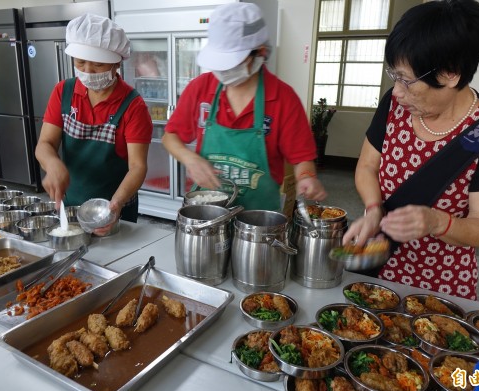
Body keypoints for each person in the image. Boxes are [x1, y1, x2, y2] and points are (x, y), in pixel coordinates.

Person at [341, 0, 479, 300]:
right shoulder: (394, 106)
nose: (397, 91)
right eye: (394, 76)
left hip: (439, 285)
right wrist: (374, 209)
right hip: (375, 269)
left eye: (407, 80)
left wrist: (437, 222)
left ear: (450, 75)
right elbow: (367, 167)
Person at [162, 2, 326, 211]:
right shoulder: (201, 88)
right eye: (219, 64)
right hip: (208, 213)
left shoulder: (283, 98)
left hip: (257, 221)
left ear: (260, 52)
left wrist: (307, 178)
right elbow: (170, 136)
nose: (223, 71)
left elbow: (302, 158)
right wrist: (190, 158)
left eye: (232, 63)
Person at [35, 14, 152, 233]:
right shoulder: (64, 92)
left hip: (113, 208)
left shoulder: (133, 106)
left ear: (117, 62)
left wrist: (115, 205)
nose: (87, 70)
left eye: (98, 64)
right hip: (69, 206)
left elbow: (137, 166)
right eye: (80, 62)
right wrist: (52, 164)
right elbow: (45, 143)